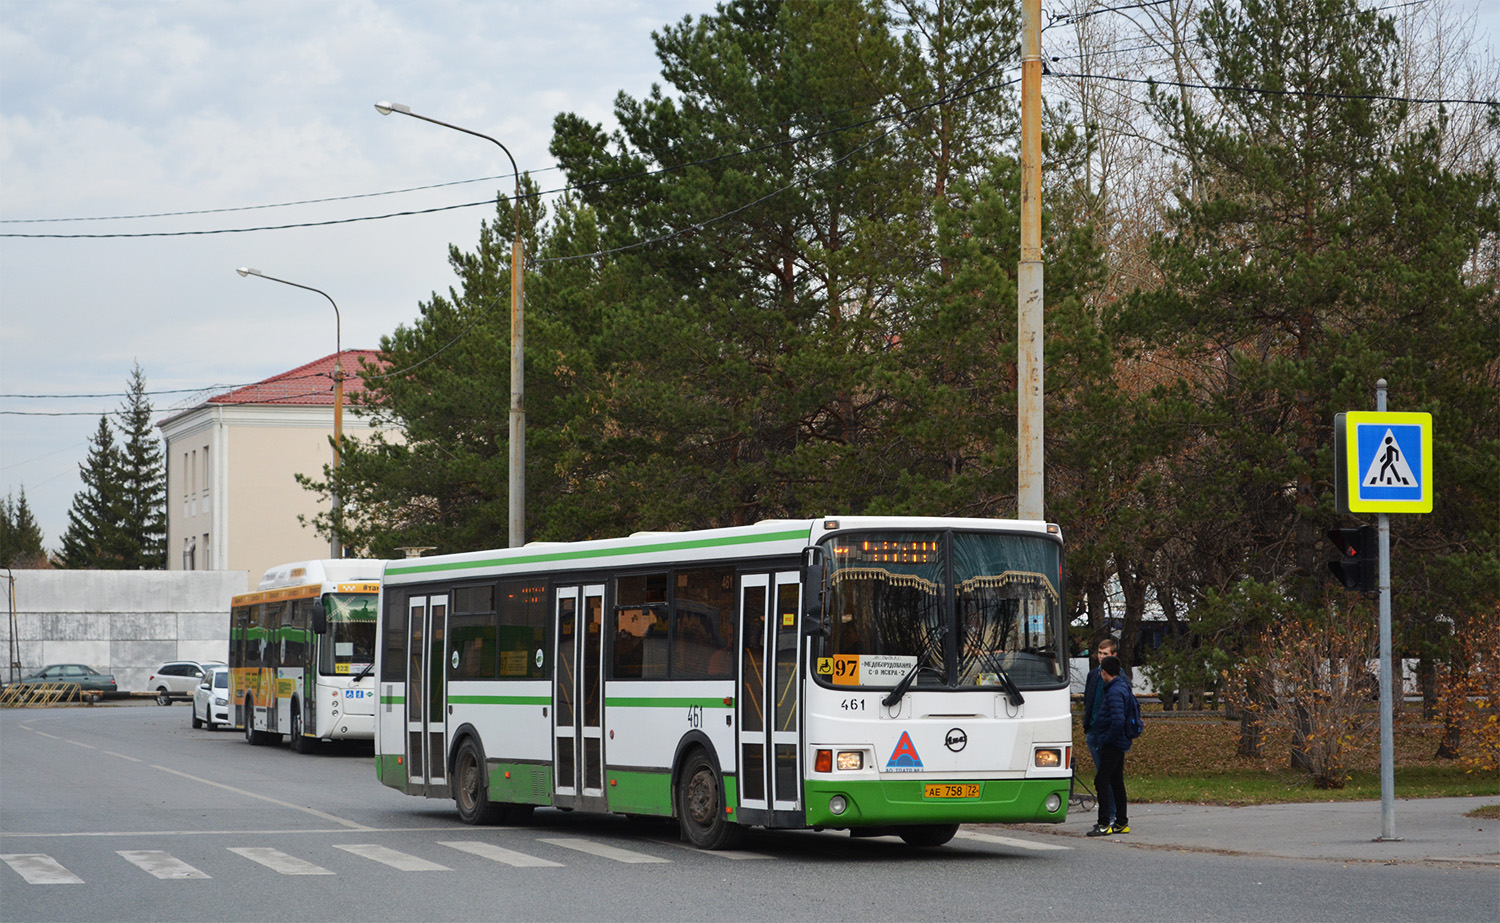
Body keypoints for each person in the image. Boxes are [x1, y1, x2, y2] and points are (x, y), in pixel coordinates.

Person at [1087, 655, 1135, 837]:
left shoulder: (1114, 692)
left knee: (1101, 780)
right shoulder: (1122, 687)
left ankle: (1104, 822)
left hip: (1112, 743)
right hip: (1120, 741)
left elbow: (1117, 720)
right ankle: (1121, 822)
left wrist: (1106, 739)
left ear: (1104, 672)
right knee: (1116, 780)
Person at [1080, 637, 1118, 825]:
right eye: (1100, 653)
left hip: (1108, 733)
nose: (1102, 657)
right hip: (1093, 730)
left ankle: (1112, 814)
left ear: (1113, 655)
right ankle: (1110, 813)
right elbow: (1089, 700)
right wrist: (1087, 724)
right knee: (1101, 775)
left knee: (1108, 776)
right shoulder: (1093, 675)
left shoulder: (1118, 678)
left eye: (1106, 654)